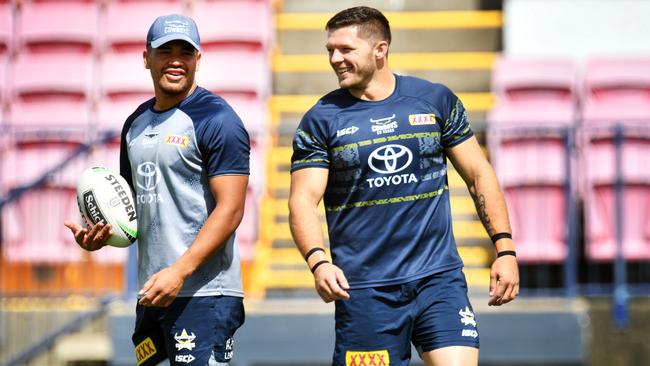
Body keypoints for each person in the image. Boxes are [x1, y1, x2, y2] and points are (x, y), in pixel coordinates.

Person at [288, 6, 519, 366]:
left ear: (380, 49)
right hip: (364, 292)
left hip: (438, 282)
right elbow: (303, 199)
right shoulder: (320, 120)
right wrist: (318, 262)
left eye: (346, 50)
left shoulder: (435, 100)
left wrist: (504, 250)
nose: (335, 59)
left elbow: (478, 174)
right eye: (330, 50)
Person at [64, 14, 250, 366]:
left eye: (185, 51)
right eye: (165, 51)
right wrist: (104, 234)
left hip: (203, 294)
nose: (176, 60)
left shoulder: (218, 120)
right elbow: (135, 210)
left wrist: (179, 272)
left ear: (198, 59)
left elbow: (232, 211)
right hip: (154, 292)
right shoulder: (135, 124)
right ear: (146, 57)